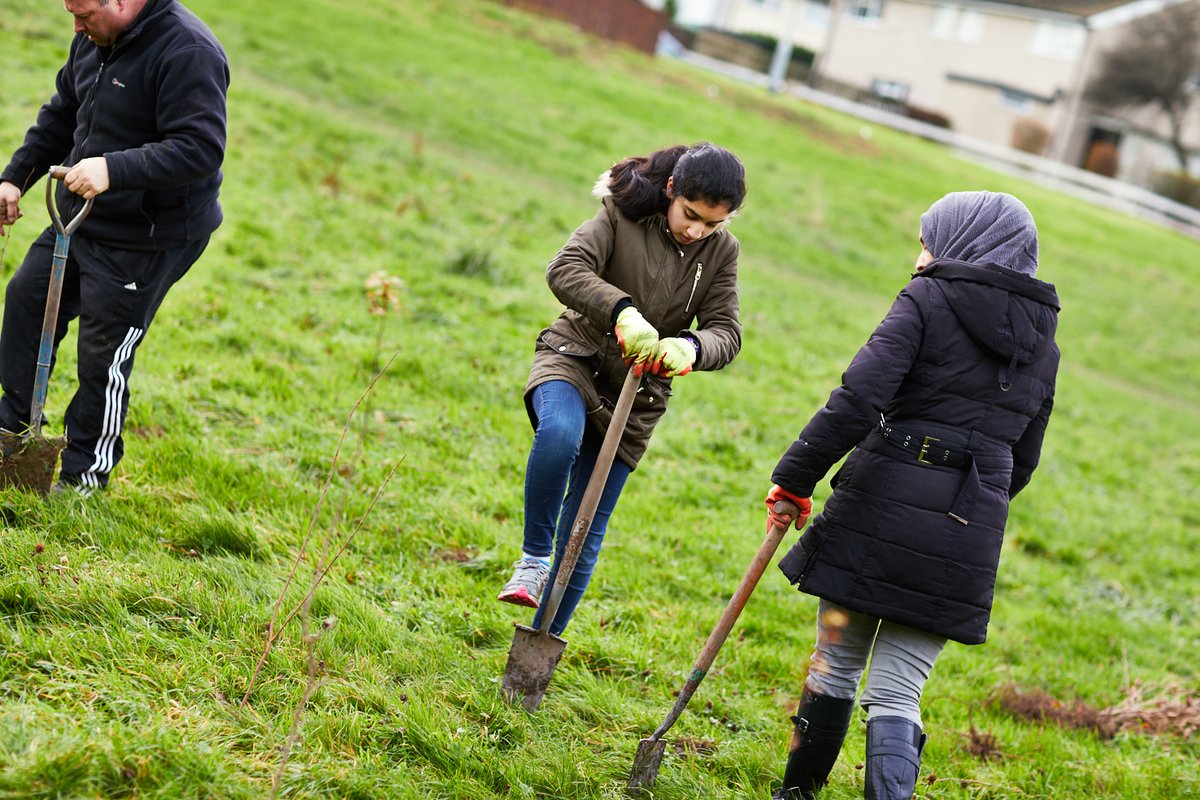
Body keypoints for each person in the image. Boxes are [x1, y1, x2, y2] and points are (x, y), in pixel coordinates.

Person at [763, 191, 1060, 800]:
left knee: (836, 666)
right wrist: (972, 506)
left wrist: (796, 476)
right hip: (967, 530)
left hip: (878, 505)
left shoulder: (927, 296)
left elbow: (857, 399)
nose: (919, 253)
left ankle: (795, 796)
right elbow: (1024, 458)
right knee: (898, 693)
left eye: (928, 239)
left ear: (963, 242)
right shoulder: (1044, 342)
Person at [497, 143, 746, 636]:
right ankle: (532, 560)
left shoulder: (721, 252)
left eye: (712, 224)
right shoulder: (618, 214)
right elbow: (565, 268)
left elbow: (727, 331)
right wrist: (621, 312)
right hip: (576, 357)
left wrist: (692, 347)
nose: (697, 231)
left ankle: (542, 645)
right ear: (671, 189)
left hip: (639, 396)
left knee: (584, 533)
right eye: (690, 215)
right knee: (559, 436)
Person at [0, 0, 228, 495]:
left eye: (84, 15)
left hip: (149, 235)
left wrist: (112, 169)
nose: (76, 26)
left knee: (103, 352)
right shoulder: (93, 38)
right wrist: (15, 177)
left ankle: (85, 476)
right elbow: (63, 112)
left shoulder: (187, 50)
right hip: (79, 218)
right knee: (25, 301)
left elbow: (201, 147)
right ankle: (11, 436)